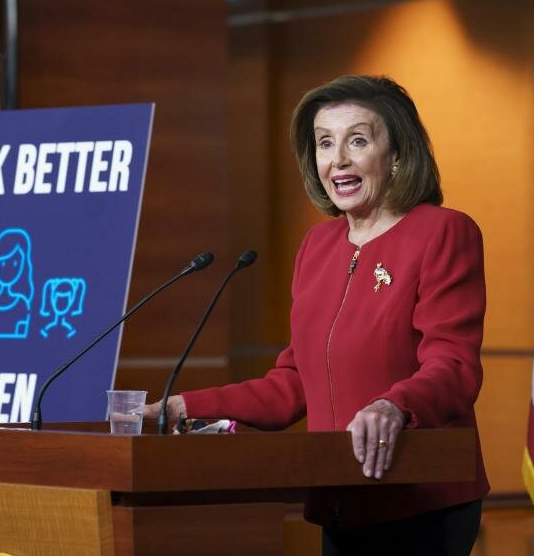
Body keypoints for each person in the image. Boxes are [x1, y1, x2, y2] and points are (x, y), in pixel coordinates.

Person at [144, 75, 489, 555]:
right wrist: (185, 407)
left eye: (358, 140)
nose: (338, 159)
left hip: (421, 500)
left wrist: (393, 406)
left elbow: (454, 366)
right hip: (339, 499)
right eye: (325, 143)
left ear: (398, 155)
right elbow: (293, 383)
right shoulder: (318, 246)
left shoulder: (443, 233)